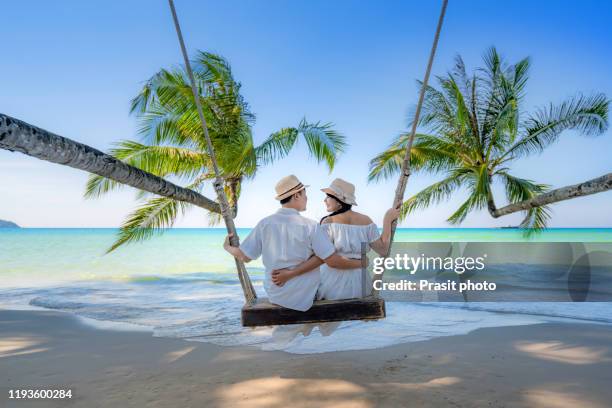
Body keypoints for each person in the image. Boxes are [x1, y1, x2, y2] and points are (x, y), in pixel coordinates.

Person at [223, 174, 362, 312]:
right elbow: (331, 260)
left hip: (276, 294)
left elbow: (245, 257)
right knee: (328, 264)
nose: (307, 198)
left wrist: (227, 247)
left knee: (321, 256)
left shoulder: (265, 224)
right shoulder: (310, 226)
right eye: (304, 194)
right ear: (296, 196)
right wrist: (364, 262)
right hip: (305, 297)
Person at [272, 178, 400, 300]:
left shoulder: (328, 222)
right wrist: (387, 220)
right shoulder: (366, 221)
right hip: (361, 286)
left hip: (332, 284)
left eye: (328, 196)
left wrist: (290, 273)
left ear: (339, 201)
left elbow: (326, 260)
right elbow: (383, 250)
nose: (324, 200)